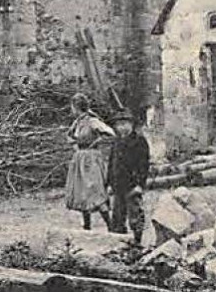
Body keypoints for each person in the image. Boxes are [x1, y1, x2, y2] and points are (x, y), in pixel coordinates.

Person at [63, 94, 113, 230]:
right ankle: (87, 225)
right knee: (82, 192)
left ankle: (110, 225)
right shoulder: (77, 122)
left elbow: (109, 132)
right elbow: (69, 136)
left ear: (76, 107)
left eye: (73, 107)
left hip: (91, 159)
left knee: (95, 190)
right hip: (80, 159)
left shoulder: (92, 120)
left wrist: (97, 141)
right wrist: (75, 146)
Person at [105, 108, 151, 245]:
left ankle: (137, 242)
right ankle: (120, 244)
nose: (122, 128)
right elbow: (111, 163)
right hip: (118, 186)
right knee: (117, 218)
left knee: (135, 216)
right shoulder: (116, 142)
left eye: (125, 124)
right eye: (118, 125)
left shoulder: (139, 142)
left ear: (132, 124)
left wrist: (140, 185)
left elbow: (144, 165)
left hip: (132, 186)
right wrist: (109, 183)